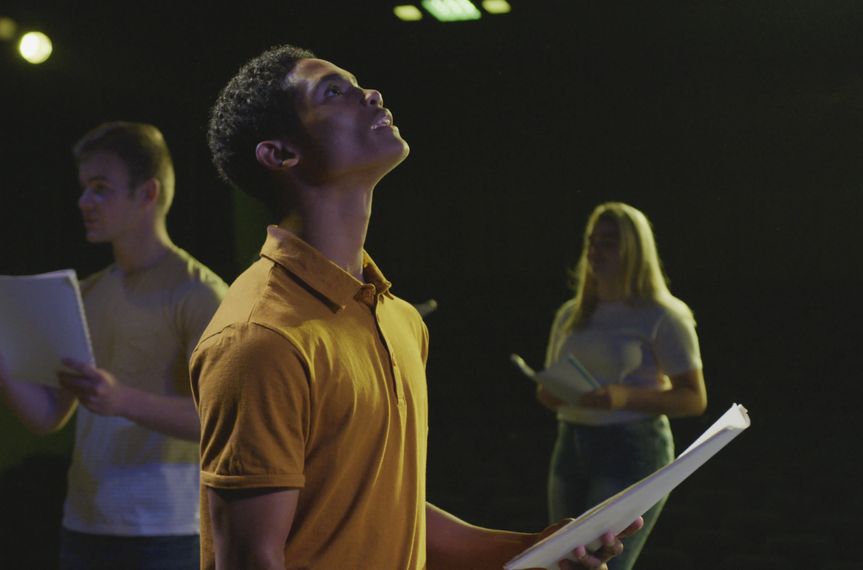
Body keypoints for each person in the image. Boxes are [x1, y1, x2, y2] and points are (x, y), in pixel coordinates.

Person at [191, 45, 641, 570]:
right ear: (281, 154)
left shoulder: (398, 317)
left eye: (359, 83)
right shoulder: (259, 338)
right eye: (334, 92)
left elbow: (384, 509)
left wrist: (532, 551)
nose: (371, 94)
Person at [0, 121, 227, 569]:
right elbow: (46, 416)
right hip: (85, 526)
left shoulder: (201, 293)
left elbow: (225, 420)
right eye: (84, 188)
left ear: (148, 193)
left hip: (169, 530)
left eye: (100, 188)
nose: (85, 202)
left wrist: (121, 399)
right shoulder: (85, 292)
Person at [537, 202, 708, 570]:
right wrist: (551, 392)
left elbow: (694, 399)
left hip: (632, 446)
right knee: (564, 563)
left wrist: (622, 397)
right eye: (591, 242)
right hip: (571, 442)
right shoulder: (571, 313)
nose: (595, 251)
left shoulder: (663, 315)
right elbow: (550, 385)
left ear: (634, 249)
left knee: (604, 563)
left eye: (609, 242)